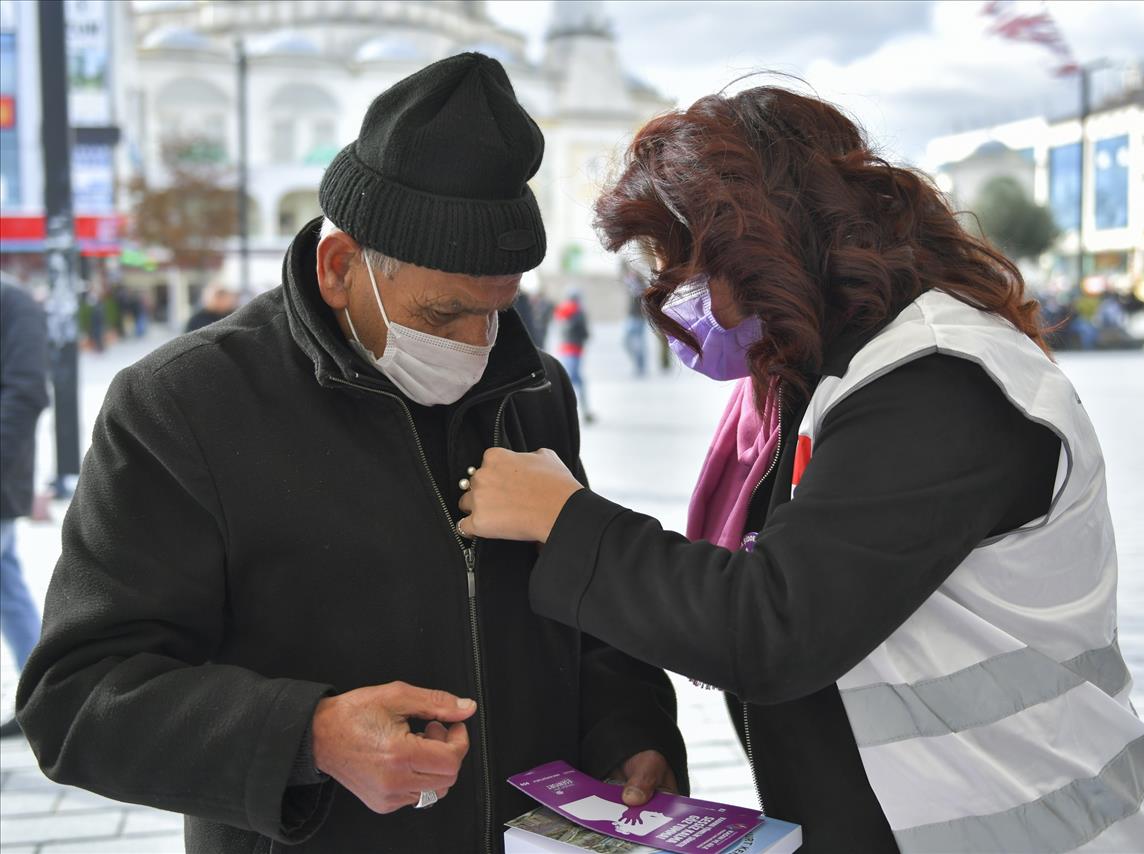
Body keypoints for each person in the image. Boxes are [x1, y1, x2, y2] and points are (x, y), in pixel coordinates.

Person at [457, 86, 1144, 852]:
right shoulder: (829, 374)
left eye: (694, 265)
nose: (684, 297)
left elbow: (773, 624)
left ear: (765, 243)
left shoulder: (939, 383)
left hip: (1035, 824)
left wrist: (564, 518)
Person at [16, 53, 686, 854]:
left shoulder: (531, 390)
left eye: (497, 312)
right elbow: (76, 698)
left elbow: (586, 611)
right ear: (341, 269)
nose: (479, 344)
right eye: (444, 316)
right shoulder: (184, 405)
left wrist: (632, 731)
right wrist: (309, 735)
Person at [0, 282, 49, 740]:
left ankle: (41, 695)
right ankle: (42, 695)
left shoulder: (14, 305)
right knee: (6, 582)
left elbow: (27, 391)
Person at [555, 289, 594, 423]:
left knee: (572, 379)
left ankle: (572, 411)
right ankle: (576, 411)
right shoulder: (578, 312)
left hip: (566, 349)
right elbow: (585, 333)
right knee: (574, 380)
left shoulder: (562, 311)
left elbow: (561, 330)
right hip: (575, 349)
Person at [622, 263, 648, 377]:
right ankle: (638, 365)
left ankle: (640, 366)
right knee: (626, 342)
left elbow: (634, 288)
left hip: (638, 319)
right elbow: (625, 280)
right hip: (631, 317)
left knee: (638, 344)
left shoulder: (640, 287)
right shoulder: (633, 286)